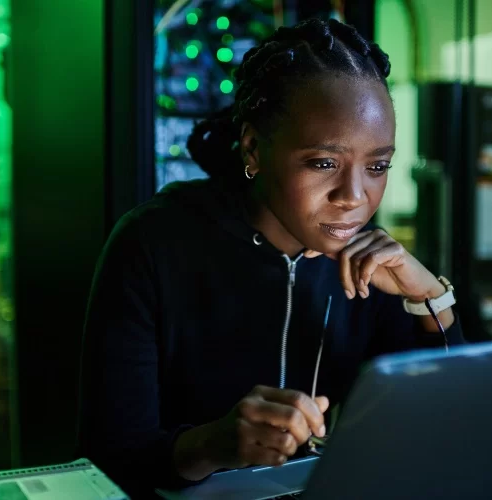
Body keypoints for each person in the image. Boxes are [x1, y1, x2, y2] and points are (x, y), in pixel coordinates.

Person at [77, 18, 464, 497]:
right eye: (324, 163)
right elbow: (106, 462)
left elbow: (442, 426)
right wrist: (212, 445)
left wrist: (429, 298)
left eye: (378, 166)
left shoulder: (371, 262)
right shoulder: (152, 244)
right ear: (254, 148)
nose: (354, 197)